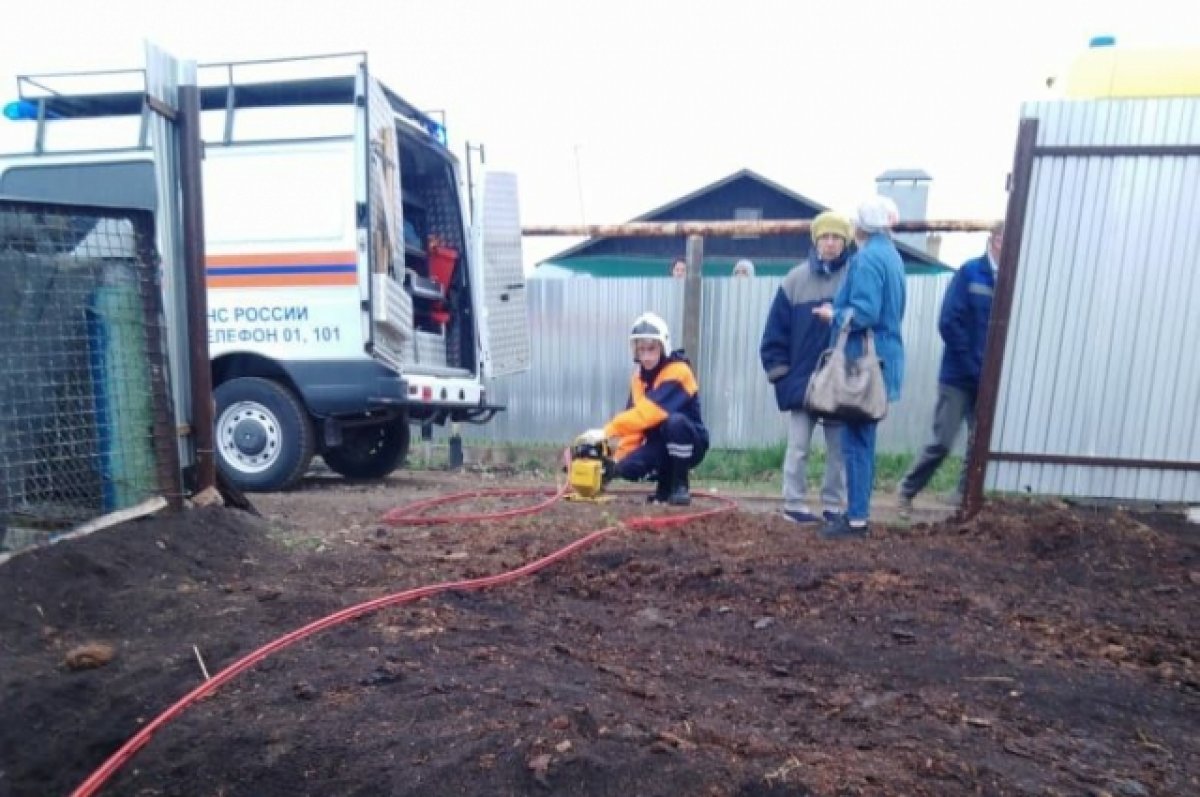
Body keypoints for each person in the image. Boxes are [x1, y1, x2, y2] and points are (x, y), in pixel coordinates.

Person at [812, 196, 906, 539]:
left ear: (860, 227)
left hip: (865, 366)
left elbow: (865, 312)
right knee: (863, 441)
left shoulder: (866, 260)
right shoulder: (892, 256)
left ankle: (855, 520)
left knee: (857, 442)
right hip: (885, 360)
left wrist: (832, 315)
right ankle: (857, 516)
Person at [899, 220, 1003, 510]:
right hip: (959, 376)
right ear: (994, 240)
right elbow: (948, 322)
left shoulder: (1010, 280)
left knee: (978, 442)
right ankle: (907, 490)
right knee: (943, 440)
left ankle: (964, 496)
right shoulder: (970, 273)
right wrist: (972, 363)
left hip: (988, 377)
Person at [759, 210, 853, 523]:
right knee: (798, 447)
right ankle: (794, 503)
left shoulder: (855, 277)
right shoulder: (795, 280)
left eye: (836, 237)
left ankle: (833, 505)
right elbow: (774, 333)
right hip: (803, 381)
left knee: (838, 450)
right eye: (825, 237)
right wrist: (781, 376)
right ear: (815, 240)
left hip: (840, 381)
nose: (830, 243)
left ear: (845, 242)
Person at [579, 312, 709, 505]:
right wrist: (616, 464)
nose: (646, 356)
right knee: (629, 469)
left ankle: (680, 486)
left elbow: (647, 414)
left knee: (675, 423)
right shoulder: (639, 378)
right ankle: (663, 490)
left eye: (651, 349)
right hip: (659, 442)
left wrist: (606, 431)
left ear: (663, 347)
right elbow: (634, 425)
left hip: (691, 442)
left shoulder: (679, 372)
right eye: (641, 350)